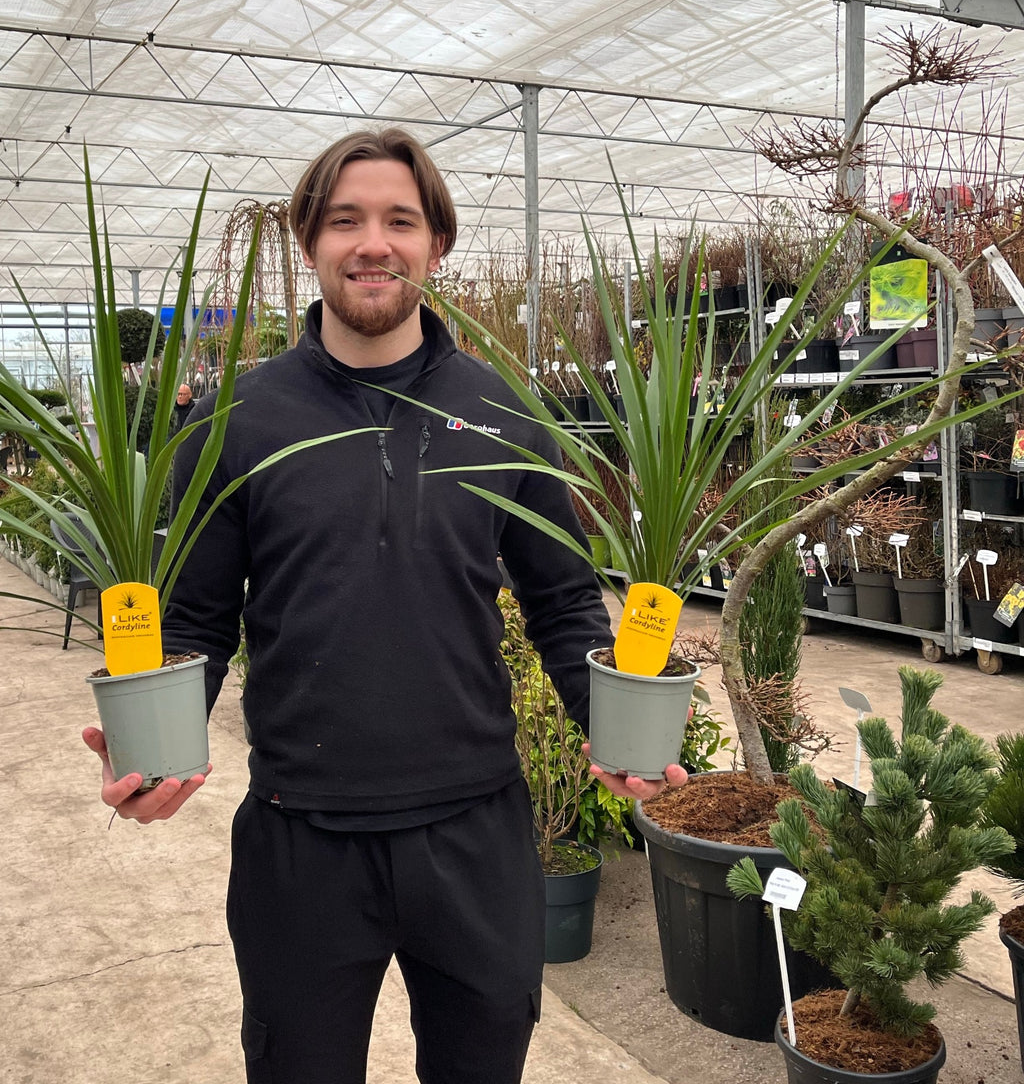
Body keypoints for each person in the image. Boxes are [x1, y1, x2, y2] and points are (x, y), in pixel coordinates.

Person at [83, 127, 687, 1084]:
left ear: (436, 244)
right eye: (345, 221)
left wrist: (617, 726)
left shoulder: (502, 414)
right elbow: (193, 619)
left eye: (400, 220)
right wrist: (153, 755)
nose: (374, 243)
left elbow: (564, 601)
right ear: (308, 242)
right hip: (301, 837)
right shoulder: (237, 419)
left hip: (477, 830)